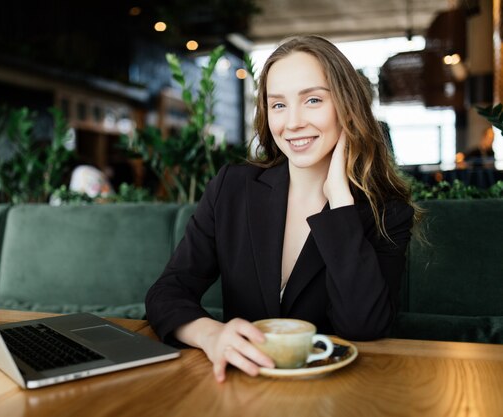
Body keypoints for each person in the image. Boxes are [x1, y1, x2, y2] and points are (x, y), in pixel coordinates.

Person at [145, 35, 419, 382]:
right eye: (278, 105)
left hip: (335, 394)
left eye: (313, 100)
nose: (292, 123)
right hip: (239, 385)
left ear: (348, 108)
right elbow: (166, 292)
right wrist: (210, 334)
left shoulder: (387, 212)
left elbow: (363, 326)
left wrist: (339, 200)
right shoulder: (232, 188)